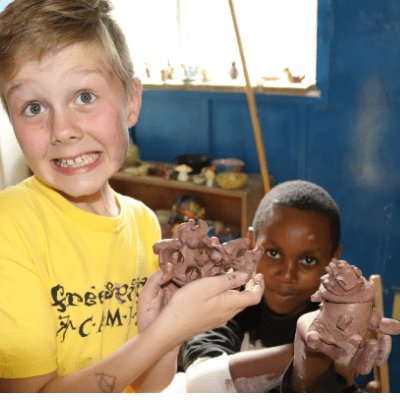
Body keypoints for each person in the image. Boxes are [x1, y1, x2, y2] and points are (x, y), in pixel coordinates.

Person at [0, 0, 264, 393]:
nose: (62, 130)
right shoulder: (11, 226)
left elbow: (152, 383)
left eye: (85, 97)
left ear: (132, 102)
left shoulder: (143, 222)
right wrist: (166, 331)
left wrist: (169, 325)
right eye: (34, 107)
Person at [175, 180, 391, 393]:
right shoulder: (223, 295)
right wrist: (315, 352)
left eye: (308, 261)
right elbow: (201, 383)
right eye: (273, 253)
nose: (287, 275)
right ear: (251, 243)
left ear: (332, 260)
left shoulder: (337, 319)